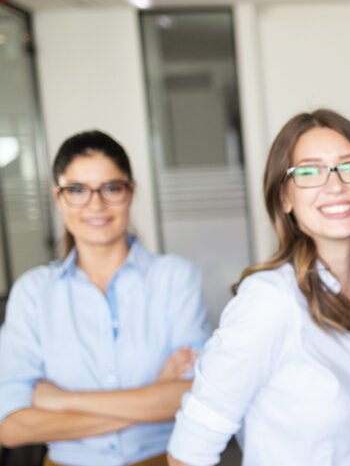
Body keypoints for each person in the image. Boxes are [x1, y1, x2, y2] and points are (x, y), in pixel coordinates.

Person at [166, 109, 350, 466]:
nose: (335, 185)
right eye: (309, 171)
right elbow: (186, 455)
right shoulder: (269, 301)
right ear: (284, 197)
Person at [0, 130, 210, 466]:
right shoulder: (33, 293)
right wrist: (151, 397)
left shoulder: (174, 277)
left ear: (130, 192)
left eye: (111, 188)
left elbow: (195, 395)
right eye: (77, 190)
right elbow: (11, 426)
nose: (95, 204)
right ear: (58, 198)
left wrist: (64, 400)